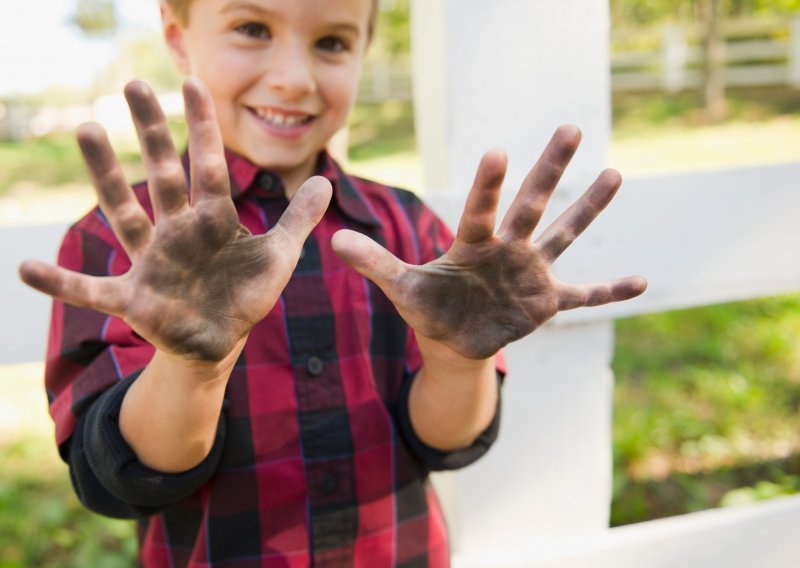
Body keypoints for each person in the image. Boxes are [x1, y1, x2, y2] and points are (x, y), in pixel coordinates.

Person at [18, 0, 647, 565]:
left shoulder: (408, 230)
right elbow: (114, 480)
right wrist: (193, 367)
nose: (294, 77)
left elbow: (445, 440)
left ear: (365, 48)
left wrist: (456, 362)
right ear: (177, 35)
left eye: (332, 42)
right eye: (252, 27)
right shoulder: (121, 245)